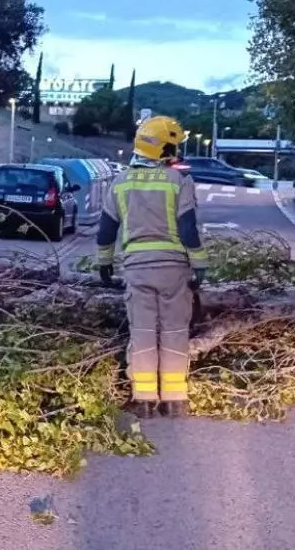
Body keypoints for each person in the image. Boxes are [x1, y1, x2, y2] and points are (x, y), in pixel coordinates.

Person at [96, 115, 206, 418]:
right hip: (173, 270)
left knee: (142, 331)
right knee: (174, 331)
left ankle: (143, 398)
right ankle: (175, 399)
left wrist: (104, 264)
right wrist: (200, 266)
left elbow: (106, 231)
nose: (176, 152)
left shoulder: (120, 183)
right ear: (164, 149)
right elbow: (188, 230)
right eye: (173, 146)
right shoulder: (179, 181)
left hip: (137, 269)